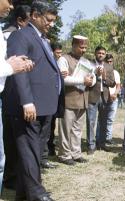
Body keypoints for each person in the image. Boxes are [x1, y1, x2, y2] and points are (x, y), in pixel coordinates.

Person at [3, 1, 62, 200]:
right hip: (28, 107)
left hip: (44, 106)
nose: (51, 24)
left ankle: (24, 193)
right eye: (48, 20)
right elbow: (18, 70)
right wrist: (27, 101)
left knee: (35, 151)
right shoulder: (20, 35)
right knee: (29, 152)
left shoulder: (43, 39)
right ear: (35, 15)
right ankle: (37, 193)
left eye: (54, 21)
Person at [0, 0, 35, 194]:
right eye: (8, 1)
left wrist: (12, 63)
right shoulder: (12, 34)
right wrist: (9, 67)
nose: (11, 6)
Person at [57, 35, 95, 165]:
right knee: (66, 129)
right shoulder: (63, 59)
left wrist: (91, 81)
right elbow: (63, 79)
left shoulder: (86, 61)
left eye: (85, 47)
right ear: (73, 45)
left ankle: (76, 153)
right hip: (68, 99)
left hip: (83, 99)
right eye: (81, 47)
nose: (83, 50)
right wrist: (82, 80)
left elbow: (92, 77)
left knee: (77, 129)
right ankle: (64, 155)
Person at [86, 46, 115, 154]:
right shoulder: (89, 64)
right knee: (91, 121)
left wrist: (104, 78)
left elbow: (112, 83)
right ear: (95, 53)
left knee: (103, 122)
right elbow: (85, 77)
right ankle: (90, 145)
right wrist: (95, 74)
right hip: (92, 96)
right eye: (99, 53)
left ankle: (101, 144)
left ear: (105, 54)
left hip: (105, 97)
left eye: (103, 53)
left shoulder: (109, 66)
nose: (101, 55)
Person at [95, 53, 120, 145]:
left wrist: (115, 94)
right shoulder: (99, 71)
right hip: (104, 98)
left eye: (111, 61)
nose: (109, 63)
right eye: (107, 61)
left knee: (110, 119)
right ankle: (98, 138)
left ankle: (108, 138)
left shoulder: (115, 72)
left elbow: (118, 86)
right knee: (100, 119)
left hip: (113, 99)